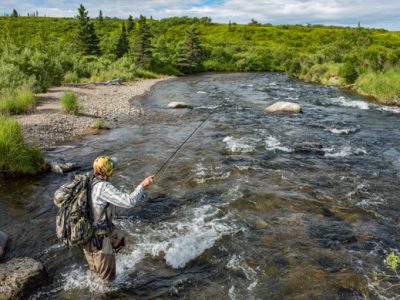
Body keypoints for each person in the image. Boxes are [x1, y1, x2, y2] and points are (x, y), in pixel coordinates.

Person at [83, 155, 154, 281]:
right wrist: (142, 185)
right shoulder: (103, 187)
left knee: (94, 274)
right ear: (107, 170)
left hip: (86, 236)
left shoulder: (88, 181)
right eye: (110, 166)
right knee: (107, 282)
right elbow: (129, 202)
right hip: (99, 241)